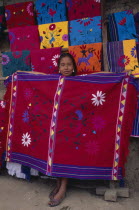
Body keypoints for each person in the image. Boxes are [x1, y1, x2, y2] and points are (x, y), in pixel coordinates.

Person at [48, 53, 77, 207]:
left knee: (65, 154)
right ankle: (59, 183)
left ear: (74, 67)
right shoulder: (54, 81)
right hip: (57, 124)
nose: (66, 67)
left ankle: (63, 188)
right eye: (63, 65)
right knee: (55, 152)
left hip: (71, 126)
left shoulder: (79, 82)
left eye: (69, 64)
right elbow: (36, 77)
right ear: (58, 68)